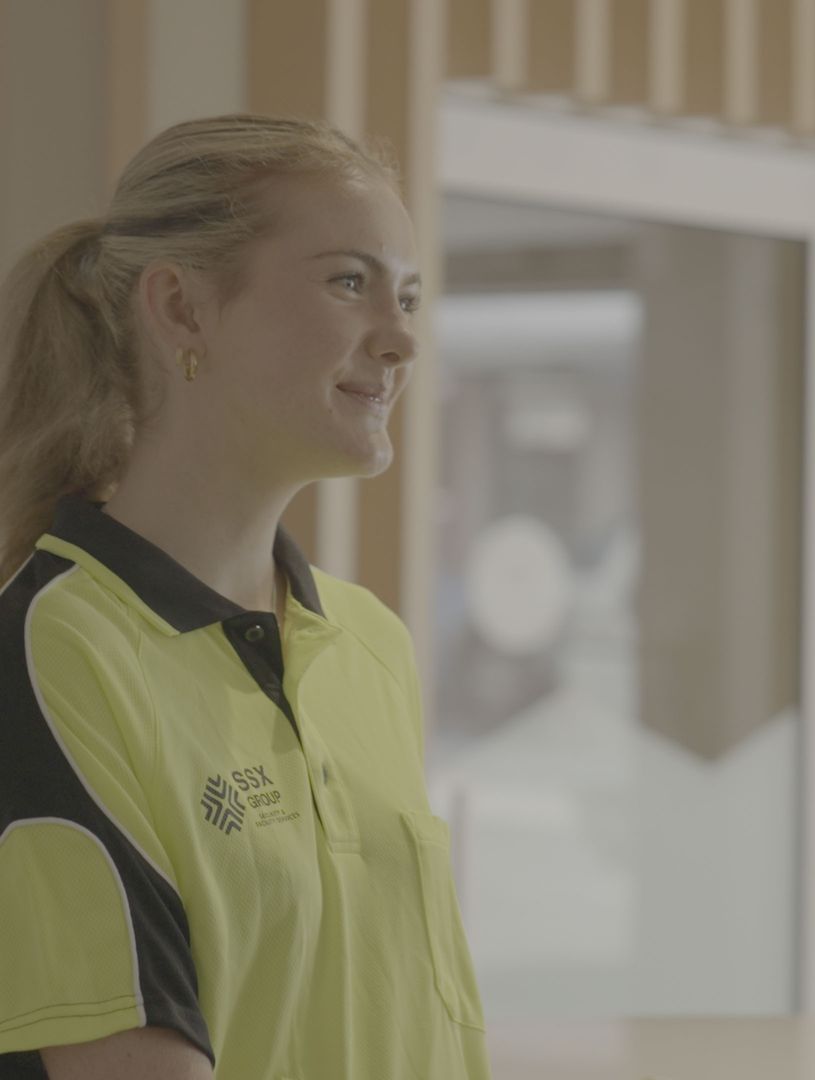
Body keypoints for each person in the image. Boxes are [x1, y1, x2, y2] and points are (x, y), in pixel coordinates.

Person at [0, 115, 489, 1078]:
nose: (400, 340)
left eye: (411, 298)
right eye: (349, 282)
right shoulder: (53, 645)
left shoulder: (368, 644)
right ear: (182, 309)